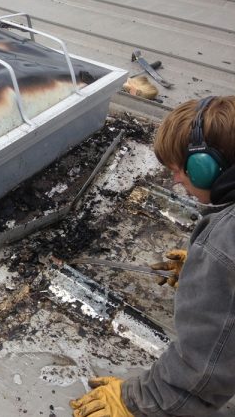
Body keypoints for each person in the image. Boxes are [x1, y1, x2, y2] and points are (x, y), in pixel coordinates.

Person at [70, 96, 235, 416]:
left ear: (206, 170)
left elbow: (204, 368)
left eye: (179, 170)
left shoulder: (225, 242)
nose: (175, 181)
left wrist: (137, 403)